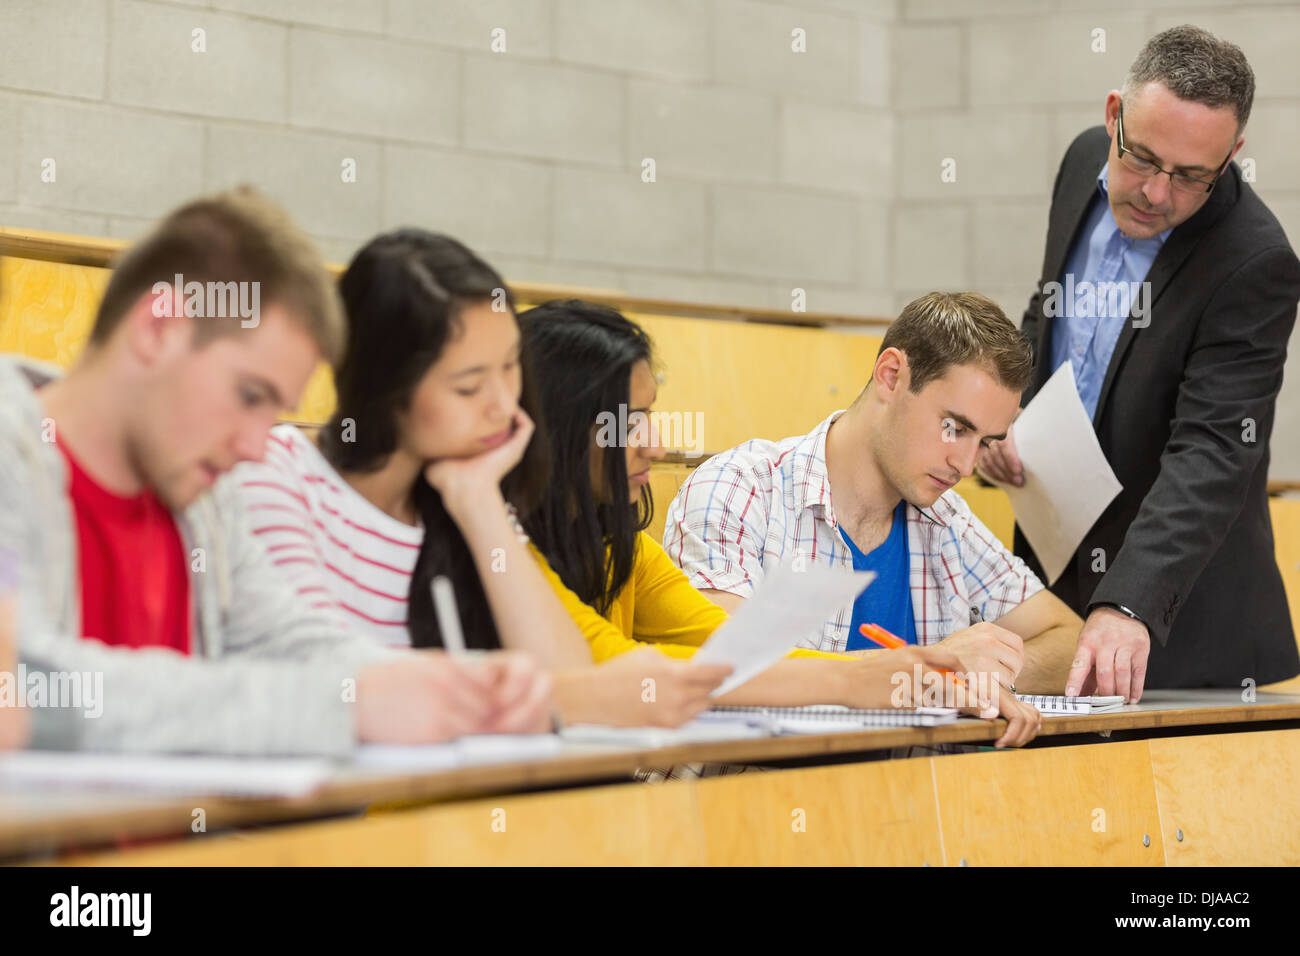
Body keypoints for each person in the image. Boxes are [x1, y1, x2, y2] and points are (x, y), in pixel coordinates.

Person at [2, 189, 551, 754]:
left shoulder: (204, 501)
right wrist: (345, 705)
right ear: (157, 328)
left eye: (274, 412)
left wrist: (453, 688)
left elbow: (294, 642)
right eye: (248, 395)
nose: (257, 447)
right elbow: (17, 690)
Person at [236, 229, 733, 729]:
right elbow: (326, 677)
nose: (504, 405)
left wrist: (478, 504)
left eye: (511, 369)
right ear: (385, 391)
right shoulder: (277, 476)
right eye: (470, 386)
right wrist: (542, 696)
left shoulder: (473, 496)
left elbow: (569, 678)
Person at [521, 299, 1040, 746]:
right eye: (629, 422)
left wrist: (929, 677)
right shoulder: (506, 553)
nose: (655, 444)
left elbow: (735, 655)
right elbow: (621, 673)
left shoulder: (627, 552)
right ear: (560, 429)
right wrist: (894, 677)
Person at [978, 25, 1300, 700]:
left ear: (1233, 154)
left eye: (1190, 177)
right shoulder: (1081, 163)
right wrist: (1002, 417)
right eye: (1143, 160)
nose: (1156, 194)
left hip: (1181, 624)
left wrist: (1130, 603)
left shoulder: (1256, 263)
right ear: (1112, 115)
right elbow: (1049, 311)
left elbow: (1213, 450)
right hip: (1051, 571)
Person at [666, 292, 1083, 704]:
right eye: (954, 427)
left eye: (985, 442)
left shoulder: (948, 519)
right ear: (890, 375)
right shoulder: (738, 488)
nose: (966, 465)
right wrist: (926, 670)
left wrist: (976, 674)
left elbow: (1071, 643)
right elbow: (725, 668)